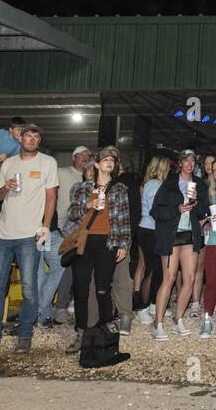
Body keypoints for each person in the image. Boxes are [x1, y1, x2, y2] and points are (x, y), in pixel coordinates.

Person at [0, 124, 57, 353]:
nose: (32, 138)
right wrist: (5, 188)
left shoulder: (47, 162)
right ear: (20, 139)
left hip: (29, 235)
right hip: (2, 235)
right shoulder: (8, 163)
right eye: (28, 135)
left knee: (28, 287)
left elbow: (51, 196)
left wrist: (45, 226)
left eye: (36, 135)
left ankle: (25, 334)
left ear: (39, 140)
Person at [65, 148, 131, 353]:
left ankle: (106, 333)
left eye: (112, 160)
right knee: (81, 288)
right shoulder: (81, 187)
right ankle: (81, 332)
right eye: (105, 159)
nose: (109, 162)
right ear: (96, 164)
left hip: (108, 243)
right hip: (84, 242)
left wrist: (124, 244)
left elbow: (124, 219)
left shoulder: (119, 189)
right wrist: (89, 204)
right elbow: (71, 213)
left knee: (103, 288)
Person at [149, 149, 205, 339]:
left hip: (191, 235)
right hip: (171, 235)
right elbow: (156, 211)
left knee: (189, 278)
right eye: (186, 160)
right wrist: (177, 208)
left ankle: (178, 318)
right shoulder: (169, 184)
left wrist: (197, 202)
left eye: (192, 160)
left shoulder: (200, 184)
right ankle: (158, 323)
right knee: (169, 278)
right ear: (179, 164)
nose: (189, 164)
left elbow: (203, 212)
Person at [40, 146, 91, 326]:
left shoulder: (95, 180)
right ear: (73, 157)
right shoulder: (60, 172)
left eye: (88, 156)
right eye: (81, 155)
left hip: (75, 231)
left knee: (70, 267)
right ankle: (56, 307)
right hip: (58, 228)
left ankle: (57, 307)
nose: (85, 158)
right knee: (61, 267)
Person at [133, 155, 171, 322]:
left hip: (148, 228)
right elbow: (155, 210)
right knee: (152, 269)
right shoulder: (156, 185)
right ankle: (143, 307)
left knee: (157, 269)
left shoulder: (151, 184)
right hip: (151, 229)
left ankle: (154, 303)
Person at [199, 157, 216, 339]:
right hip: (215, 242)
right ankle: (207, 319)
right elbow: (201, 216)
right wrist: (206, 222)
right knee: (211, 282)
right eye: (215, 169)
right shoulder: (209, 192)